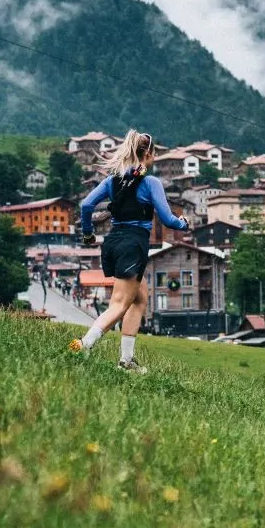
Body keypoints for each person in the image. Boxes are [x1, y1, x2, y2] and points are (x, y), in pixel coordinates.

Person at [69, 129, 189, 373]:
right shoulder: (150, 182)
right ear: (148, 154)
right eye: (154, 154)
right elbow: (167, 219)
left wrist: (89, 234)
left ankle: (126, 361)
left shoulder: (112, 181)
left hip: (114, 242)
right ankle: (84, 345)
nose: (155, 157)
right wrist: (183, 223)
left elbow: (87, 205)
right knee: (120, 303)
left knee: (140, 297)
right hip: (133, 244)